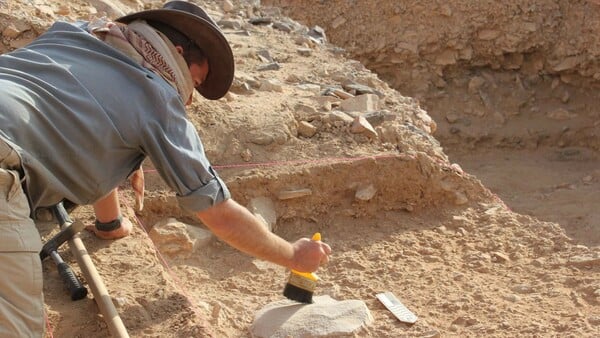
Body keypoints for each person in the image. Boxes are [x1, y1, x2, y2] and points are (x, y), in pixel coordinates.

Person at [0, 1, 332, 337]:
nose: (188, 99)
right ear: (175, 51)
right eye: (196, 81)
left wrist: (110, 223)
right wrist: (294, 255)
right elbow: (219, 213)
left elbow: (80, 125)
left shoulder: (75, 33)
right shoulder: (158, 97)